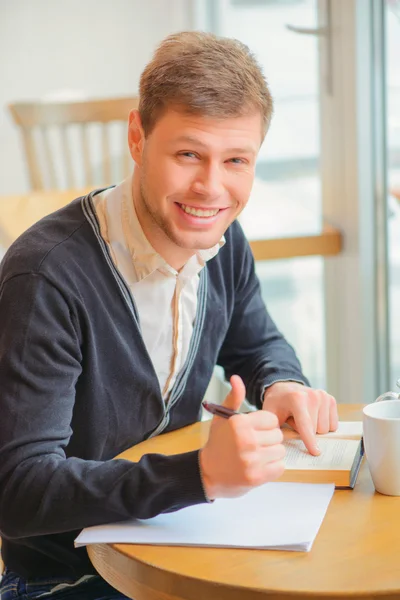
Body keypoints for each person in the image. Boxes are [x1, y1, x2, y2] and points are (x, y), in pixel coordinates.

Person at [0, 31, 338, 600]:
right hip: (69, 578)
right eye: (188, 154)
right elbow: (19, 487)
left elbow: (257, 343)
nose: (211, 187)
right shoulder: (46, 276)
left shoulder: (223, 242)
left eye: (236, 161)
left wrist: (281, 383)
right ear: (137, 137)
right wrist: (199, 474)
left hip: (187, 549)